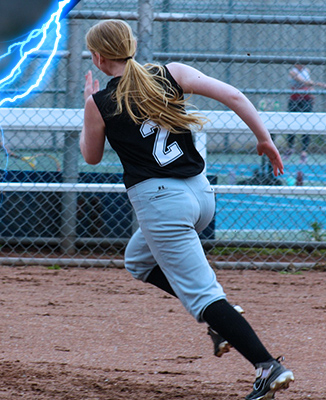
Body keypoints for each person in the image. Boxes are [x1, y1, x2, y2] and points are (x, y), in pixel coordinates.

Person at [79, 20, 293, 400]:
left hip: (162, 205)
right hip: (200, 195)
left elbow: (91, 158)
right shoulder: (171, 73)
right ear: (131, 45)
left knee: (204, 294)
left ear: (97, 57)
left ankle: (266, 366)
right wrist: (264, 138)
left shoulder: (99, 103)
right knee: (137, 261)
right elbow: (235, 96)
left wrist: (87, 109)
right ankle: (220, 318)